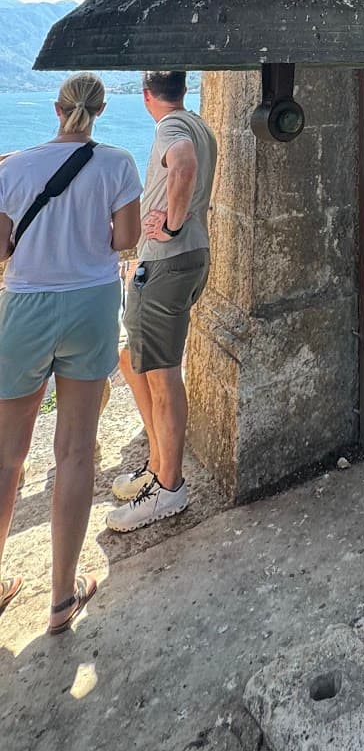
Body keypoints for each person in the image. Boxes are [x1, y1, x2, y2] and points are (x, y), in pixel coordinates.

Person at [0, 73, 141, 630]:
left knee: (7, 455)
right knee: (76, 452)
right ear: (100, 111)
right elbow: (125, 239)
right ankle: (61, 599)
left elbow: (2, 248)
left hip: (27, 308)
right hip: (90, 306)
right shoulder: (118, 163)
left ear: (58, 108)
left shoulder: (12, 167)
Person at [108, 71, 217, 533]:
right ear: (183, 88)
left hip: (168, 259)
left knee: (162, 373)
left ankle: (169, 487)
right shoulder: (200, 123)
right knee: (137, 358)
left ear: (146, 94)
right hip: (191, 256)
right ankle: (157, 468)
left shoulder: (170, 127)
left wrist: (170, 225)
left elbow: (185, 166)